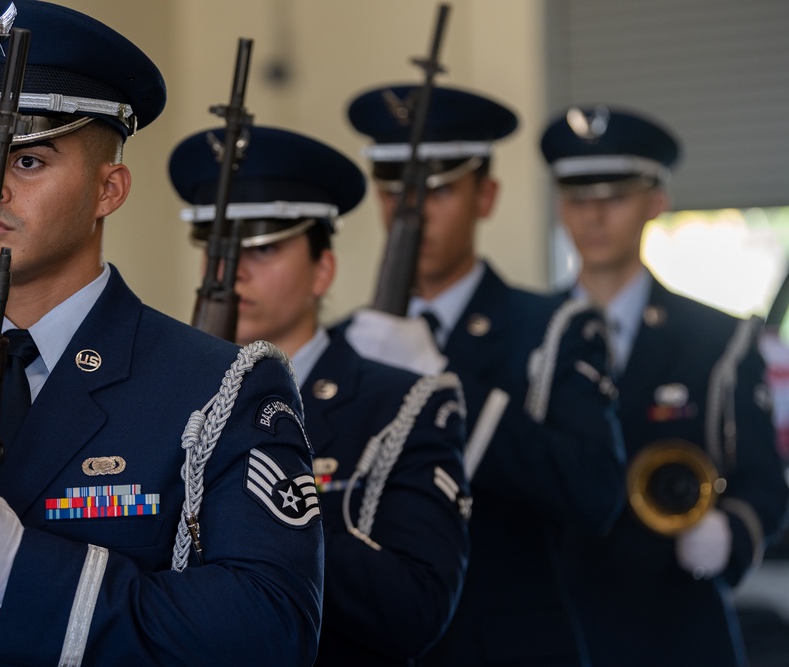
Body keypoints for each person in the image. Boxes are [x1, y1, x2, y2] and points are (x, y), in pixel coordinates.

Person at [0, 2, 324, 664]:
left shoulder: (215, 389)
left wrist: (27, 573)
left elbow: (271, 626)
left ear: (110, 189)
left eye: (29, 162)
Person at [343, 84, 627, 666]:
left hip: (506, 644)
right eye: (393, 190)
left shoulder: (552, 327)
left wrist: (437, 377)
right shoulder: (349, 341)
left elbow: (594, 492)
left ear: (486, 196)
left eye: (439, 190)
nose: (410, 212)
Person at [169, 124, 471, 665]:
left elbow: (417, 609)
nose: (233, 273)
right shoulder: (171, 401)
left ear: (322, 270)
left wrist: (273, 505)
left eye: (263, 248)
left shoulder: (401, 405)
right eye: (217, 250)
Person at [540, 104, 789, 667]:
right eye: (577, 198)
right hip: (554, 627)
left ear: (657, 201)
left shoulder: (719, 340)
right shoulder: (526, 333)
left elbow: (763, 485)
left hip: (675, 630)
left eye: (614, 197)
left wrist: (731, 533)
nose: (593, 217)